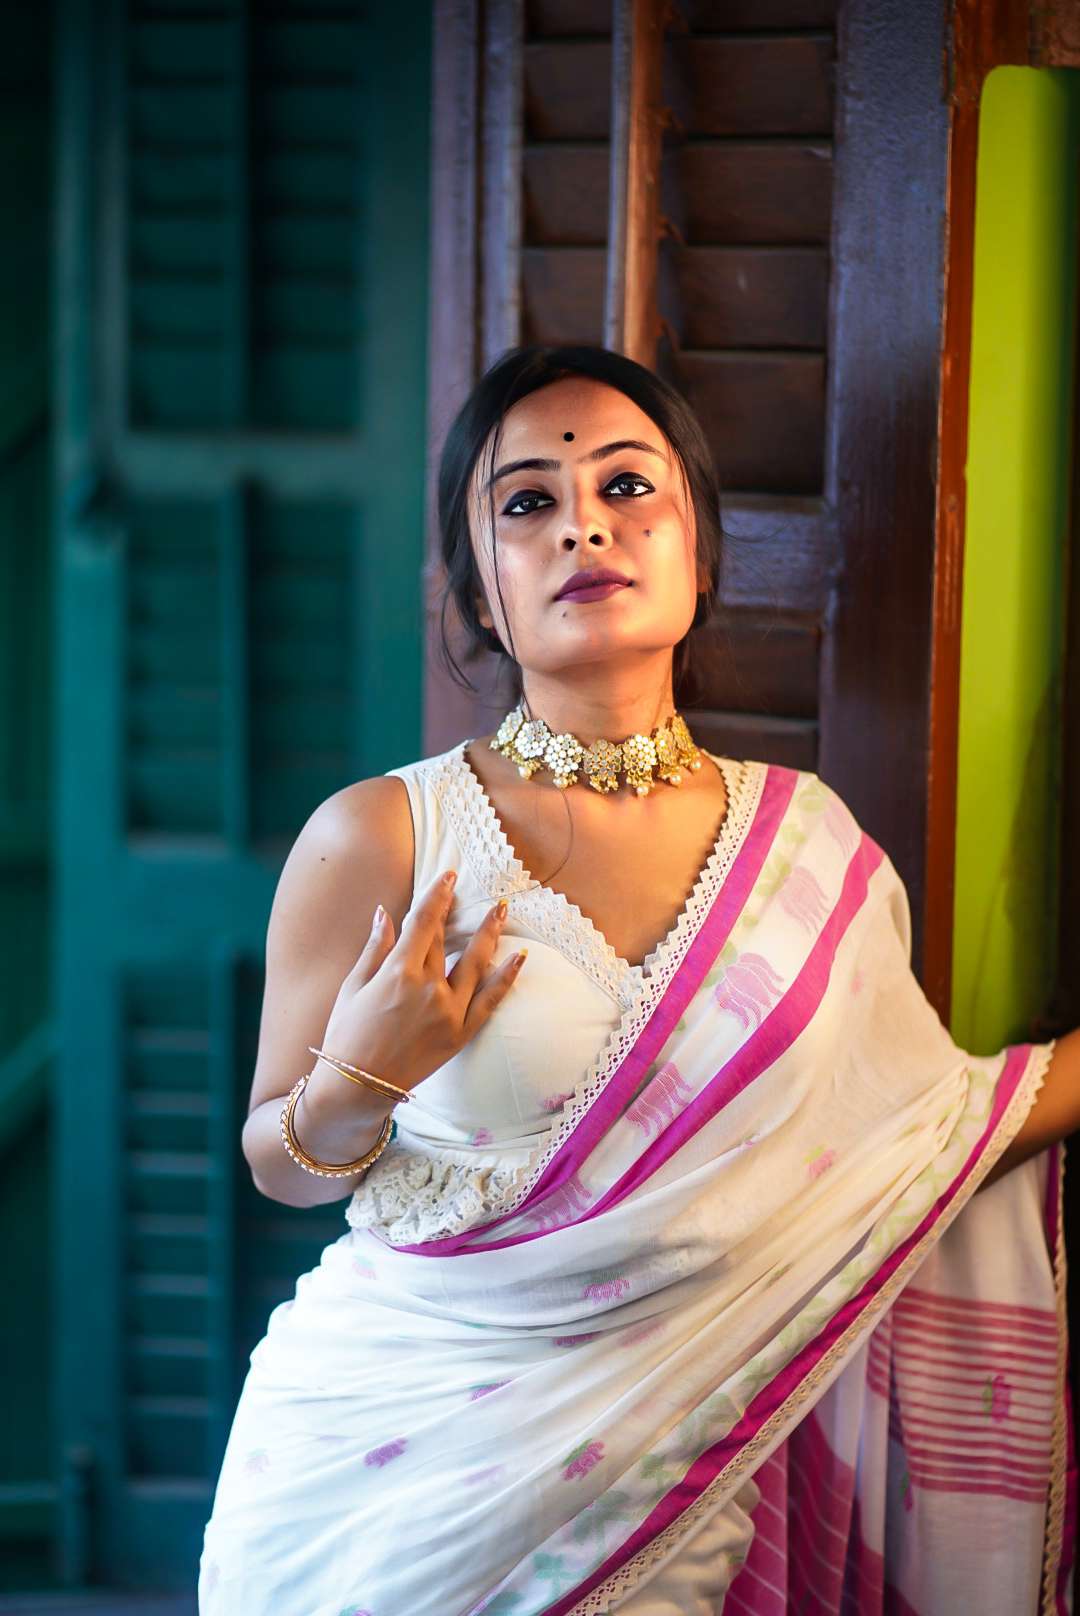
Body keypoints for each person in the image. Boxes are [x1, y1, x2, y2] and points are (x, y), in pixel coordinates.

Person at [198, 344, 1077, 1615]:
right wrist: (361, 1072)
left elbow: (920, 1142)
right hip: (376, 1490)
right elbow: (279, 1162)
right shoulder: (384, 834)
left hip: (667, 1477)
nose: (584, 526)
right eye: (527, 502)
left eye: (626, 486)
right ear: (480, 590)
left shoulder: (810, 846)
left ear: (699, 551)